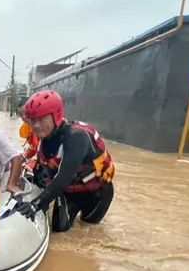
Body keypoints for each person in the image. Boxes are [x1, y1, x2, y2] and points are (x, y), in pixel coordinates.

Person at [15, 90, 115, 232]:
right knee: (59, 230)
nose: (36, 125)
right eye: (32, 120)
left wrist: (35, 204)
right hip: (70, 193)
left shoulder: (77, 136)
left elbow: (63, 177)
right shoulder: (45, 139)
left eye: (41, 118)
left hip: (97, 192)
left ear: (55, 115)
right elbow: (43, 170)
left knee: (89, 230)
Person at [17, 100, 39, 168]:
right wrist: (24, 155)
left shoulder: (45, 126)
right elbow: (33, 148)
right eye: (21, 115)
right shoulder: (29, 129)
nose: (24, 117)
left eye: (26, 113)